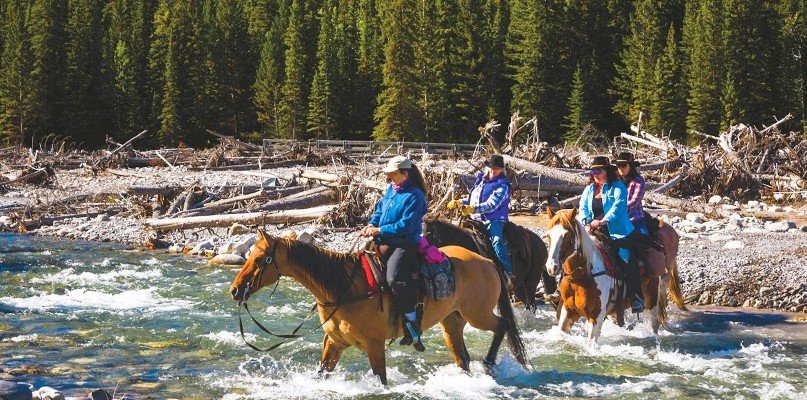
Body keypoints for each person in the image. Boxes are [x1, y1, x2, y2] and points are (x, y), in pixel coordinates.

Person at [547, 156, 645, 313]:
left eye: (598, 170)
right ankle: (561, 289)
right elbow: (583, 208)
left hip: (617, 232)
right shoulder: (590, 189)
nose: (595, 174)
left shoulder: (618, 186)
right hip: (593, 230)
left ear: (607, 171)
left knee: (627, 259)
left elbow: (618, 208)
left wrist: (602, 221)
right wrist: (586, 221)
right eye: (593, 171)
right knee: (572, 252)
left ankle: (635, 297)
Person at [361, 155, 428, 351]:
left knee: (394, 278)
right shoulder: (392, 189)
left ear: (404, 174)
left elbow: (406, 226)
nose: (390, 179)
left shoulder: (416, 196)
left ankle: (411, 320)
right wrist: (373, 223)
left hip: (405, 244)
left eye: (392, 175)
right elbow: (380, 210)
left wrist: (380, 230)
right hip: (384, 240)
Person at [446, 154, 514, 287]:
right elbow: (474, 199)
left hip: (494, 219)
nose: (493, 171)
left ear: (501, 170)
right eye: (491, 168)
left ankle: (507, 273)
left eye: (497, 169)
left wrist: (472, 209)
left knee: (497, 241)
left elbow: (492, 205)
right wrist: (460, 202)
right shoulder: (481, 181)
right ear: (487, 167)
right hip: (476, 218)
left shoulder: (503, 185)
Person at [615, 152, 647, 234]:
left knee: (644, 240)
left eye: (623, 165)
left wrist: (615, 210)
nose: (621, 168)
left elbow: (634, 202)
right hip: (616, 218)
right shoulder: (615, 181)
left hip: (634, 218)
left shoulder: (639, 181)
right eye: (618, 165)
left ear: (630, 166)